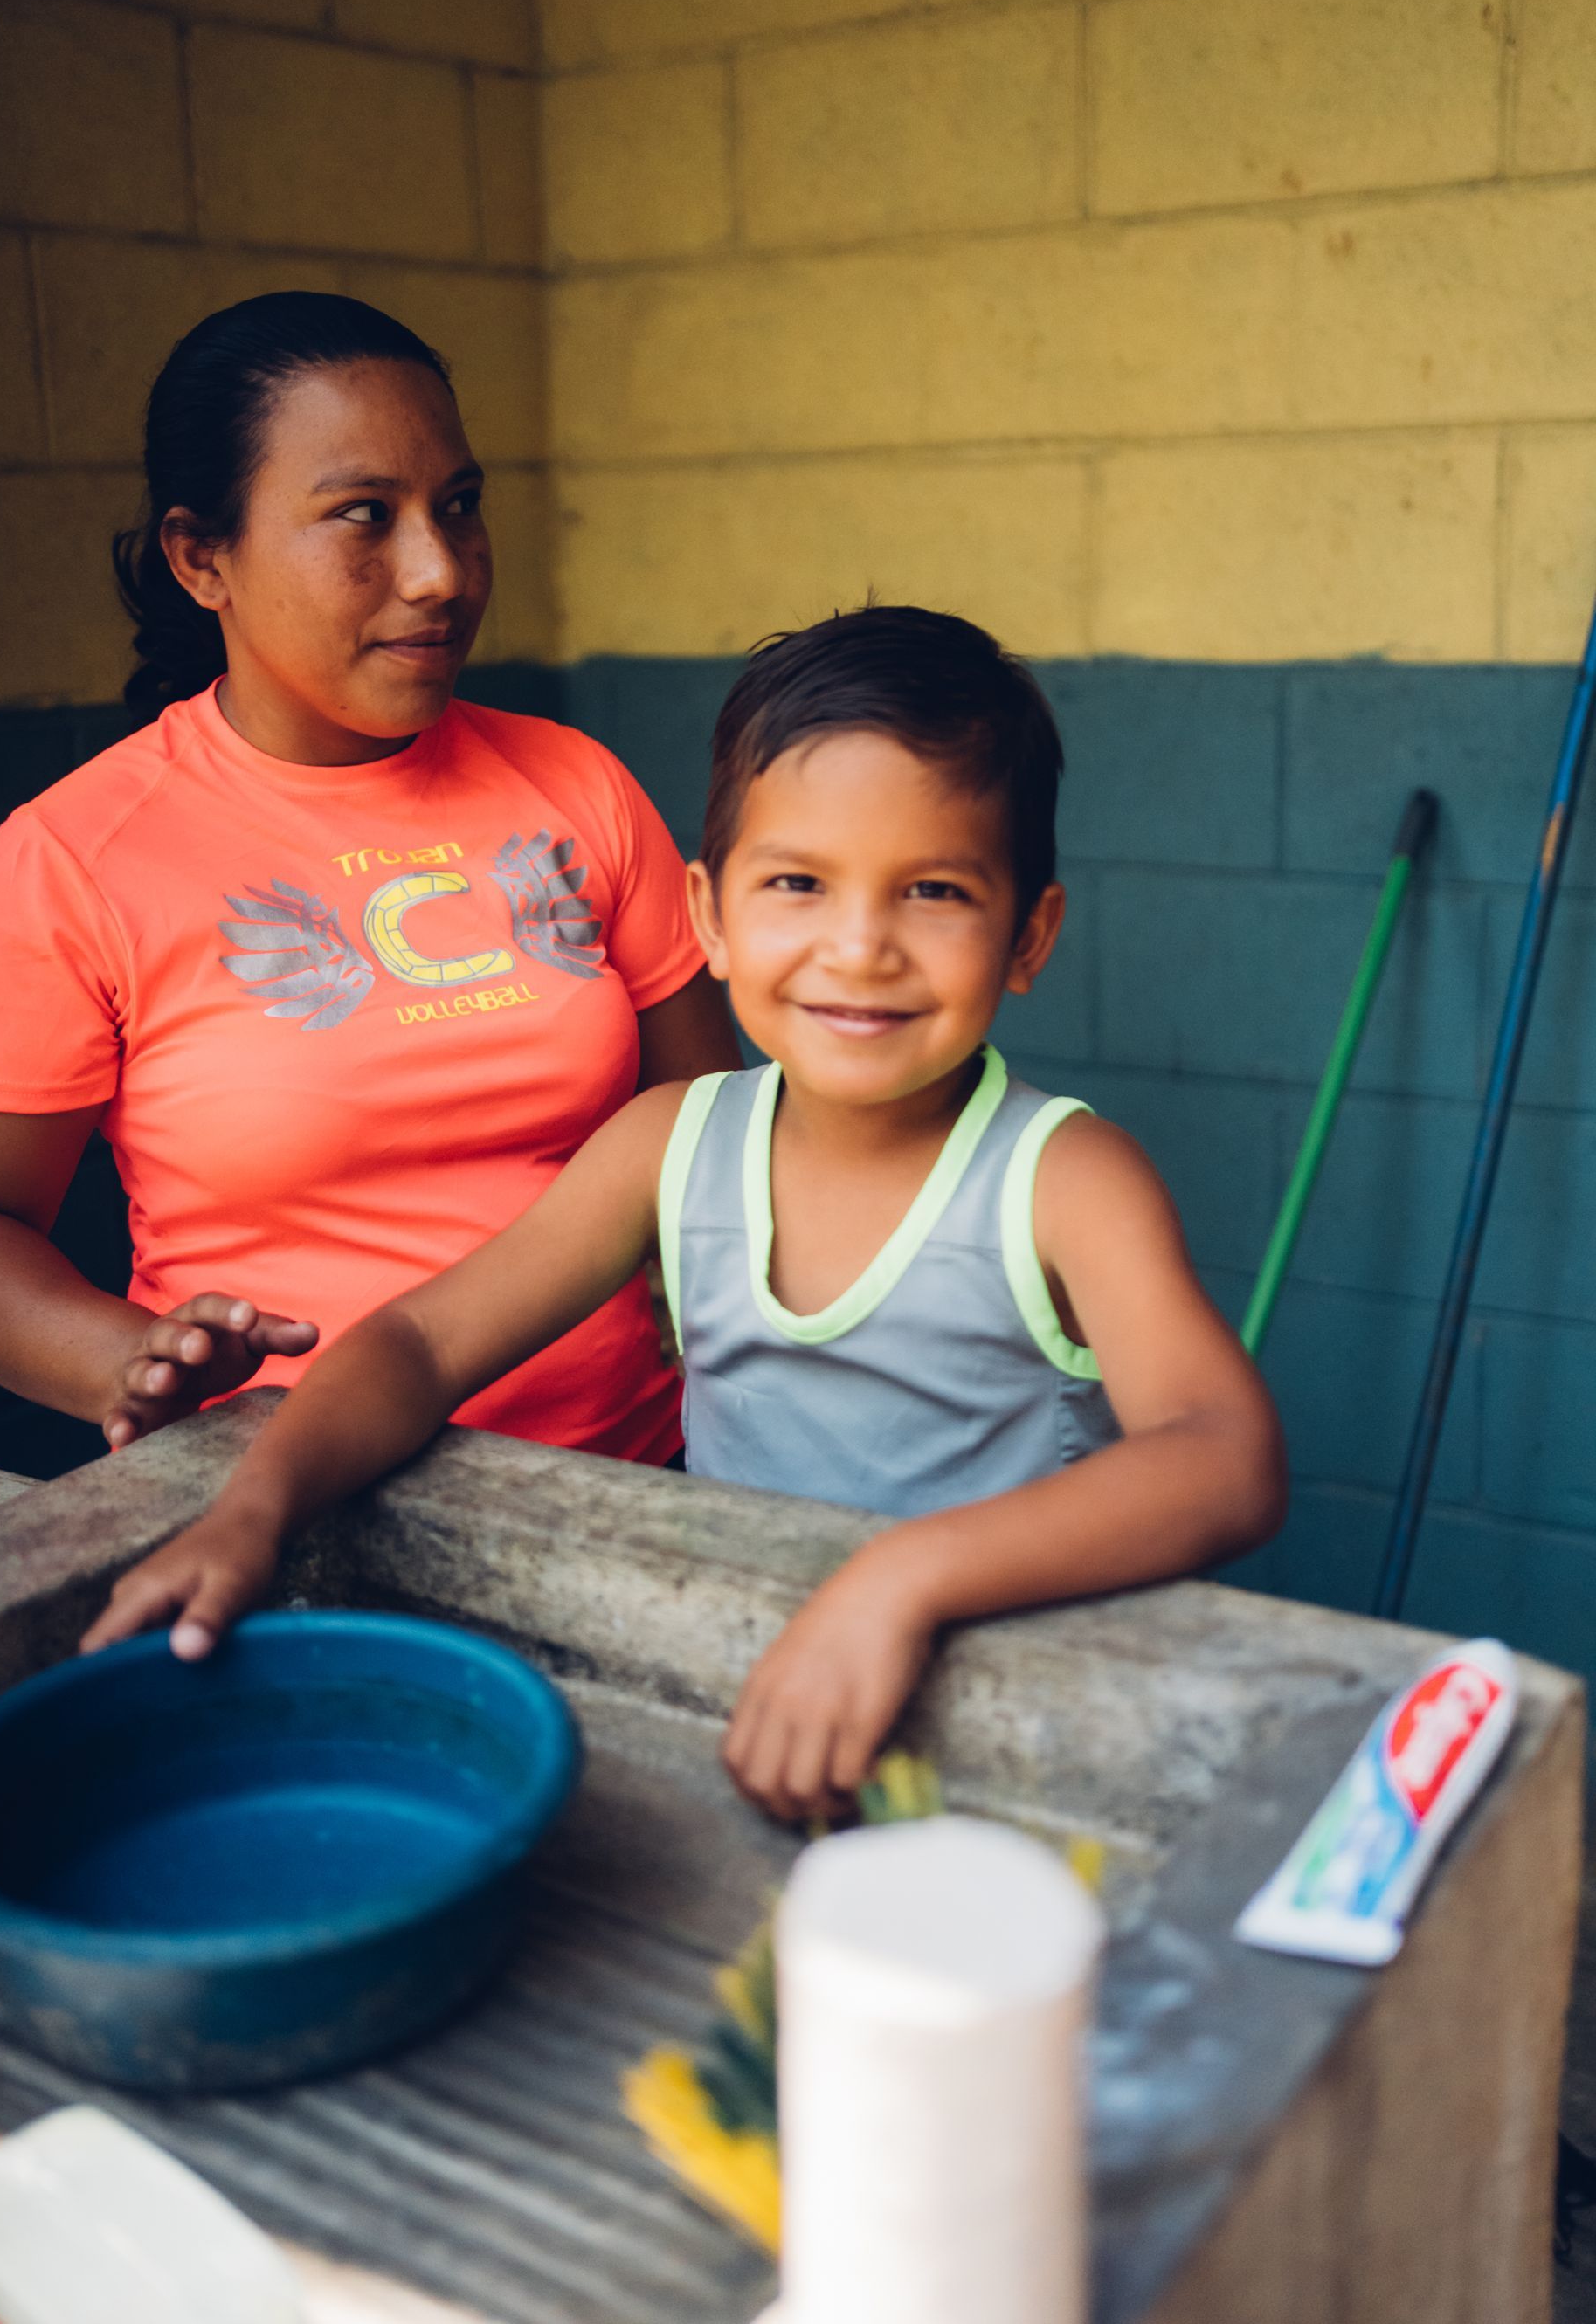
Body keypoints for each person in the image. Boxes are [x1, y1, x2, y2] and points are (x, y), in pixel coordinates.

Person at [83, 607, 1286, 1821]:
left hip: (1006, 1742)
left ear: (1028, 934)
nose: (859, 948)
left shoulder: (1065, 1179)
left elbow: (1224, 1458)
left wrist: (901, 1581)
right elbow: (417, 1344)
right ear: (709, 917)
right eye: (799, 885)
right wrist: (256, 1506)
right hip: (738, 1697)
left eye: (932, 890)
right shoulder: (674, 1148)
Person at [0, 292, 736, 1472]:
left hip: (632, 1480)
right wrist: (122, 1356)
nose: (441, 573)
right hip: (286, 1512)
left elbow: (712, 1131)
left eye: (459, 507)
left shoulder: (579, 786)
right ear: (204, 557)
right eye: (365, 517)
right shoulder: (78, 861)